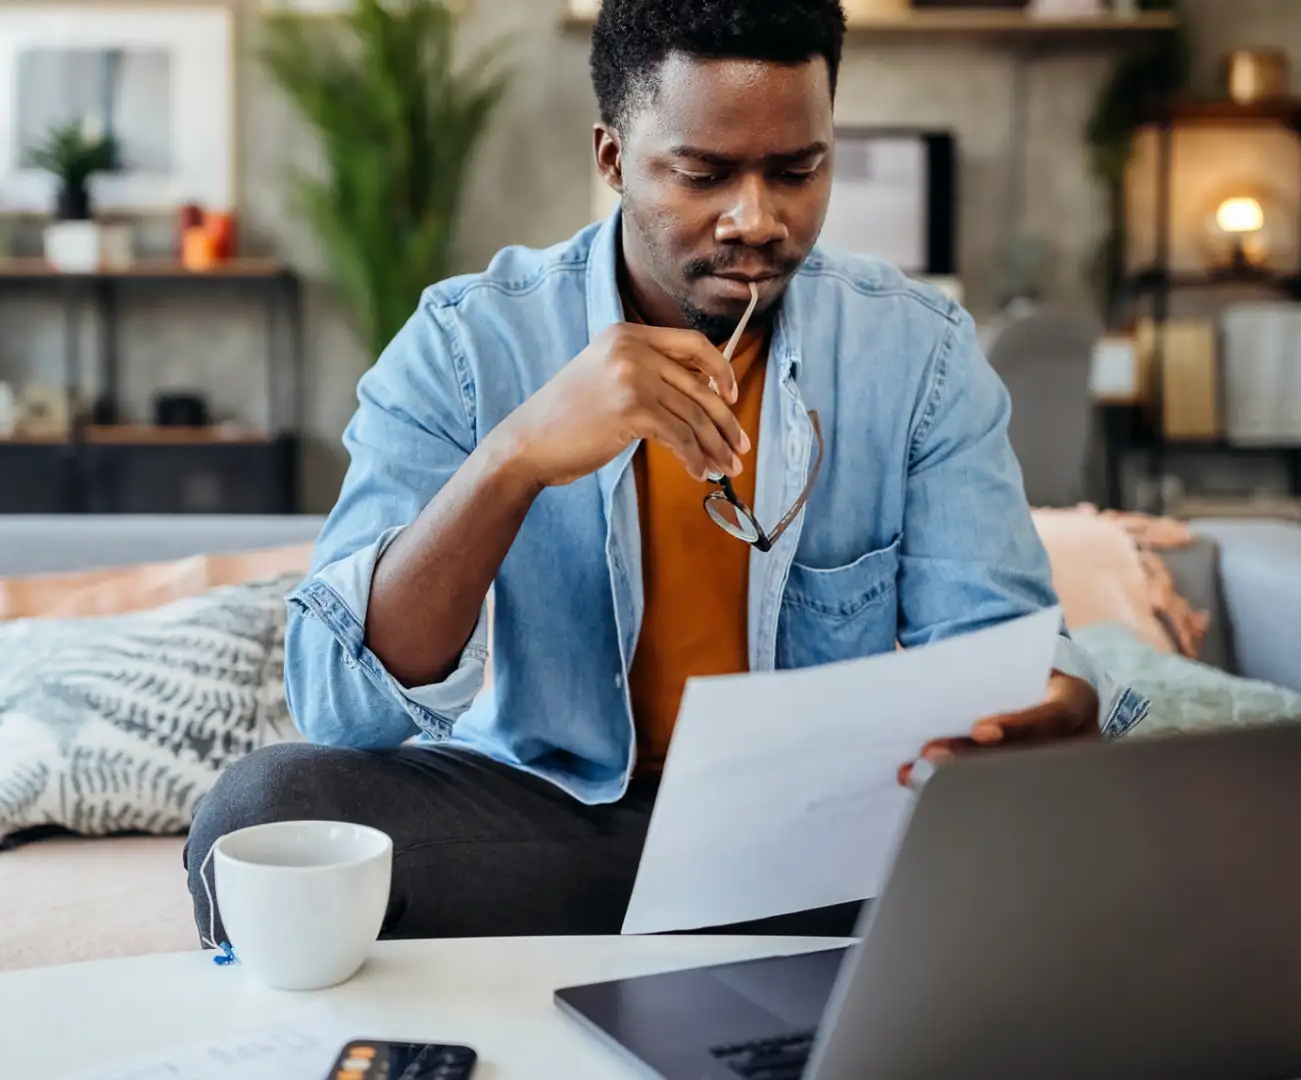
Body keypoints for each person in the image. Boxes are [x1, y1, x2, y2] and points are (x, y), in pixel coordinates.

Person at [187, 0, 1145, 940]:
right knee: (264, 814)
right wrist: (516, 456)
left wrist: (1046, 702)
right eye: (702, 174)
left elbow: (998, 645)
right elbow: (337, 705)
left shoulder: (916, 351)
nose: (756, 220)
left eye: (798, 170)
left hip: (810, 840)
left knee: (1125, 841)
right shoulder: (467, 341)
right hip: (553, 825)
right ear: (612, 158)